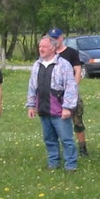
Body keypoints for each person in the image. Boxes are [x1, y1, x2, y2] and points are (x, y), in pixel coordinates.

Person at [26, 36, 79, 171]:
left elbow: (71, 86)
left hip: (59, 109)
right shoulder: (37, 65)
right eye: (40, 47)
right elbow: (32, 86)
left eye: (44, 46)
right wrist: (31, 105)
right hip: (43, 108)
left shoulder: (64, 65)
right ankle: (53, 163)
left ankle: (71, 165)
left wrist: (67, 107)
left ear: (53, 48)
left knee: (66, 139)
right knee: (49, 139)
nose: (41, 49)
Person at [50, 28, 88, 157]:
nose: (54, 40)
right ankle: (60, 148)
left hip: (70, 92)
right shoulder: (51, 53)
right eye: (52, 38)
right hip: (55, 93)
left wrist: (73, 89)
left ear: (62, 38)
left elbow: (77, 71)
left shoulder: (71, 53)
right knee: (57, 121)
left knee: (77, 120)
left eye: (56, 37)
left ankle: (82, 147)